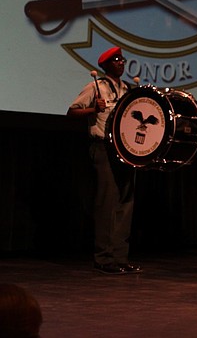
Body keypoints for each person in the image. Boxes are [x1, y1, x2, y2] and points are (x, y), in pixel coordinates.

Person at [67, 46, 142, 275]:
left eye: (122, 59)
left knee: (125, 203)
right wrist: (92, 108)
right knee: (107, 203)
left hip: (125, 150)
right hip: (103, 147)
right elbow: (72, 111)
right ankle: (103, 258)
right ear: (106, 65)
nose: (121, 63)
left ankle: (120, 256)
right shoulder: (96, 86)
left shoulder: (128, 88)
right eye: (116, 60)